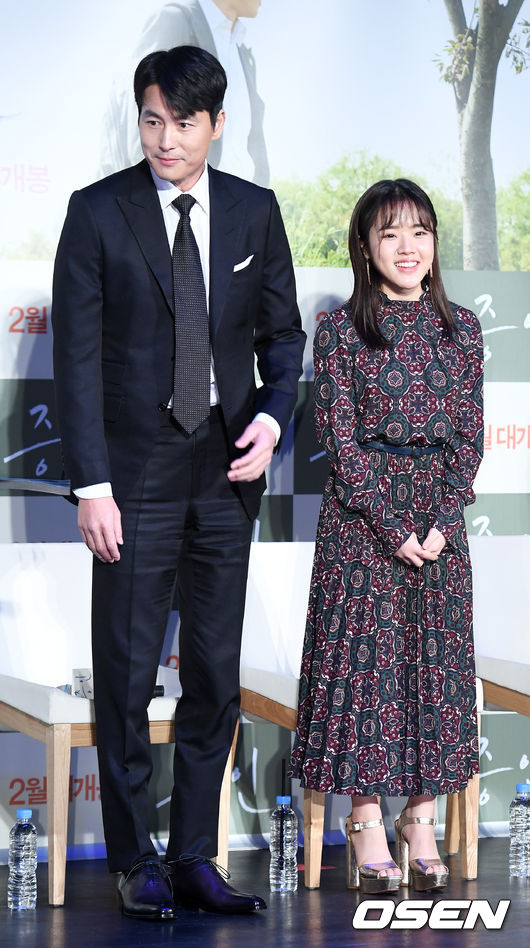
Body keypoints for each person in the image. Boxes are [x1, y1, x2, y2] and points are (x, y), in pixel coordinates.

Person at [52, 44, 305, 920]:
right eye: (152, 120)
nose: (165, 139)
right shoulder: (96, 213)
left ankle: (196, 854)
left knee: (214, 675)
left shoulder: (253, 212)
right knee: (123, 678)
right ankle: (134, 858)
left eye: (183, 123)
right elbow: (76, 362)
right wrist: (91, 485)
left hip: (226, 472)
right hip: (133, 475)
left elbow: (283, 338)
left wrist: (273, 420)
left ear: (217, 124)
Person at [290, 179, 483, 894]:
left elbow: (469, 439)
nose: (408, 247)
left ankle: (421, 819)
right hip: (361, 525)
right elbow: (340, 444)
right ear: (365, 249)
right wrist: (395, 526)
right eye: (391, 234)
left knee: (434, 674)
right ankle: (366, 818)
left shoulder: (462, 328)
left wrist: (436, 523)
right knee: (365, 678)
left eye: (421, 231)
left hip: (441, 527)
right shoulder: (340, 331)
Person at [99, 0, 269, 185]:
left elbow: (250, 139)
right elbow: (143, 119)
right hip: (182, 206)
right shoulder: (176, 20)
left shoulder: (242, 53)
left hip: (239, 203)